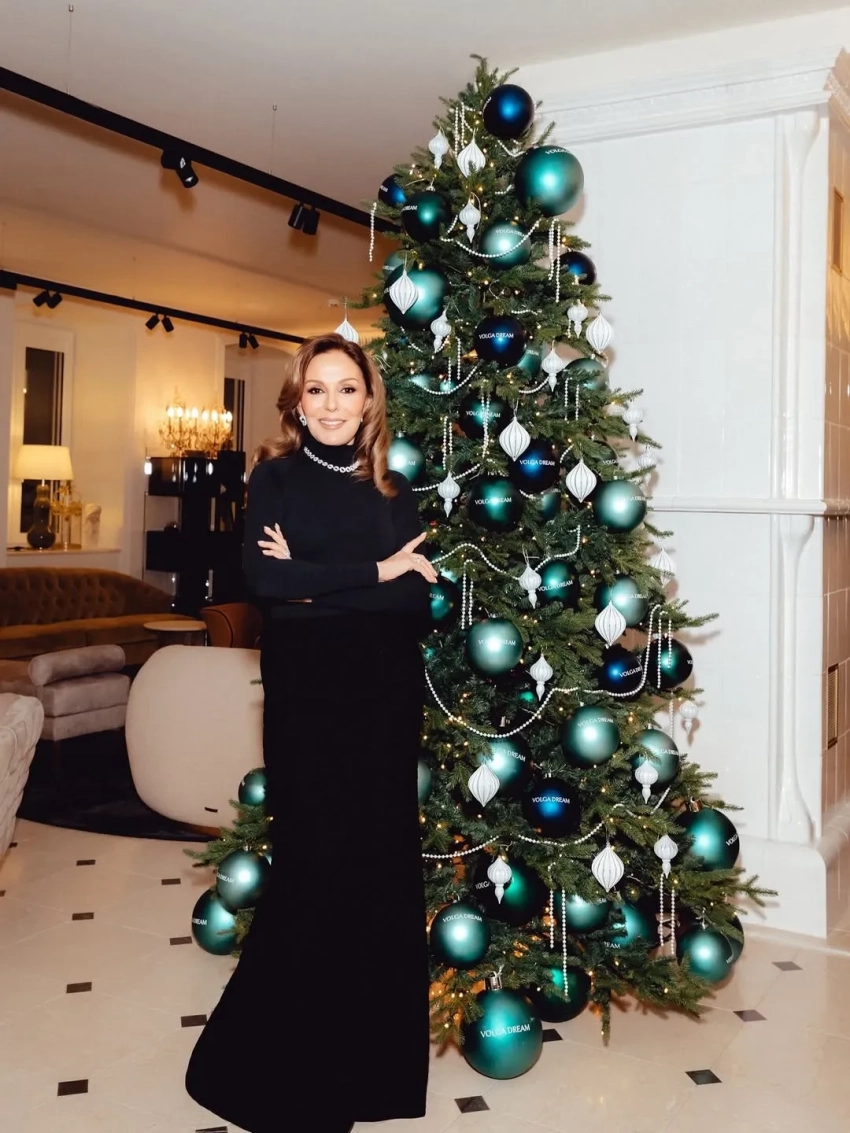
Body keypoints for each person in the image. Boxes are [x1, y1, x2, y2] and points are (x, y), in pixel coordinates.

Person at [186, 333, 437, 1133]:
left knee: (378, 870)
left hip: (384, 702)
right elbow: (266, 582)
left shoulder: (393, 489)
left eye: (347, 389)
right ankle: (279, 1068)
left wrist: (316, 586)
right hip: (306, 702)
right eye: (317, 389)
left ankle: (372, 1076)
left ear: (369, 401)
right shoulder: (275, 478)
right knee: (312, 866)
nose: (332, 403)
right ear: (297, 401)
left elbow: (415, 606)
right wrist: (376, 572)